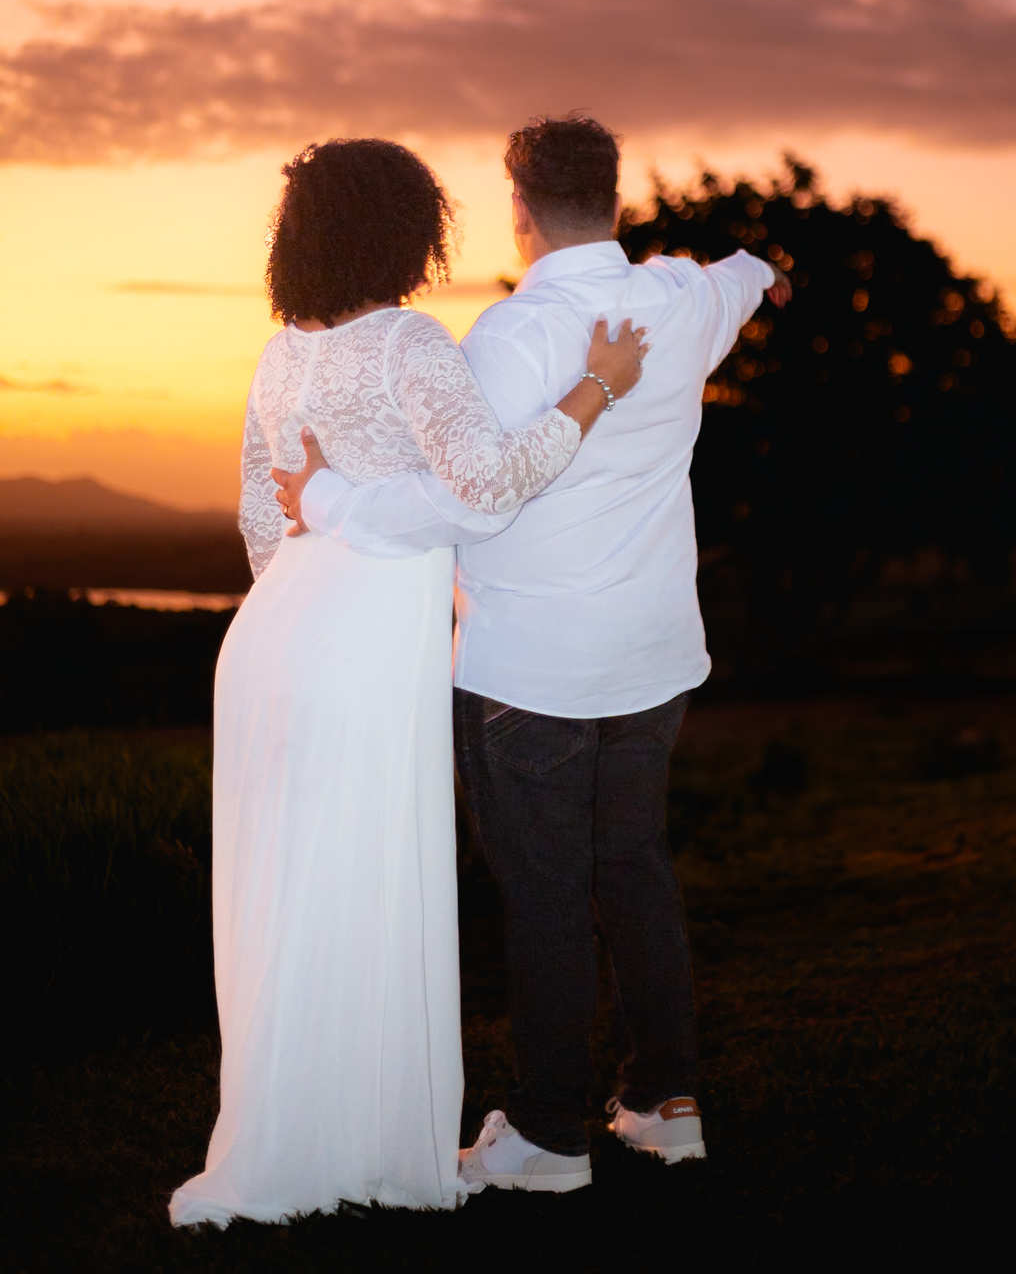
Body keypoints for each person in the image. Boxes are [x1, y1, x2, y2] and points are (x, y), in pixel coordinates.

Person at [277, 115, 791, 1193]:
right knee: (634, 867)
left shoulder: (507, 339)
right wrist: (769, 275)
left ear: (518, 208)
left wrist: (322, 499)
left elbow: (463, 498)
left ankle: (552, 1138)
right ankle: (666, 1104)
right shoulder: (682, 297)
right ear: (615, 198)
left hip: (532, 671)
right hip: (652, 658)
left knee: (548, 893)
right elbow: (747, 275)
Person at [169, 137, 646, 1228]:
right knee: (368, 889)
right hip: (365, 654)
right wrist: (595, 391)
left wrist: (313, 595)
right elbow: (487, 490)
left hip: (271, 644)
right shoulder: (409, 343)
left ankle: (291, 1138)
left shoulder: (279, 354)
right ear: (407, 229)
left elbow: (259, 524)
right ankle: (364, 1148)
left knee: (291, 903)